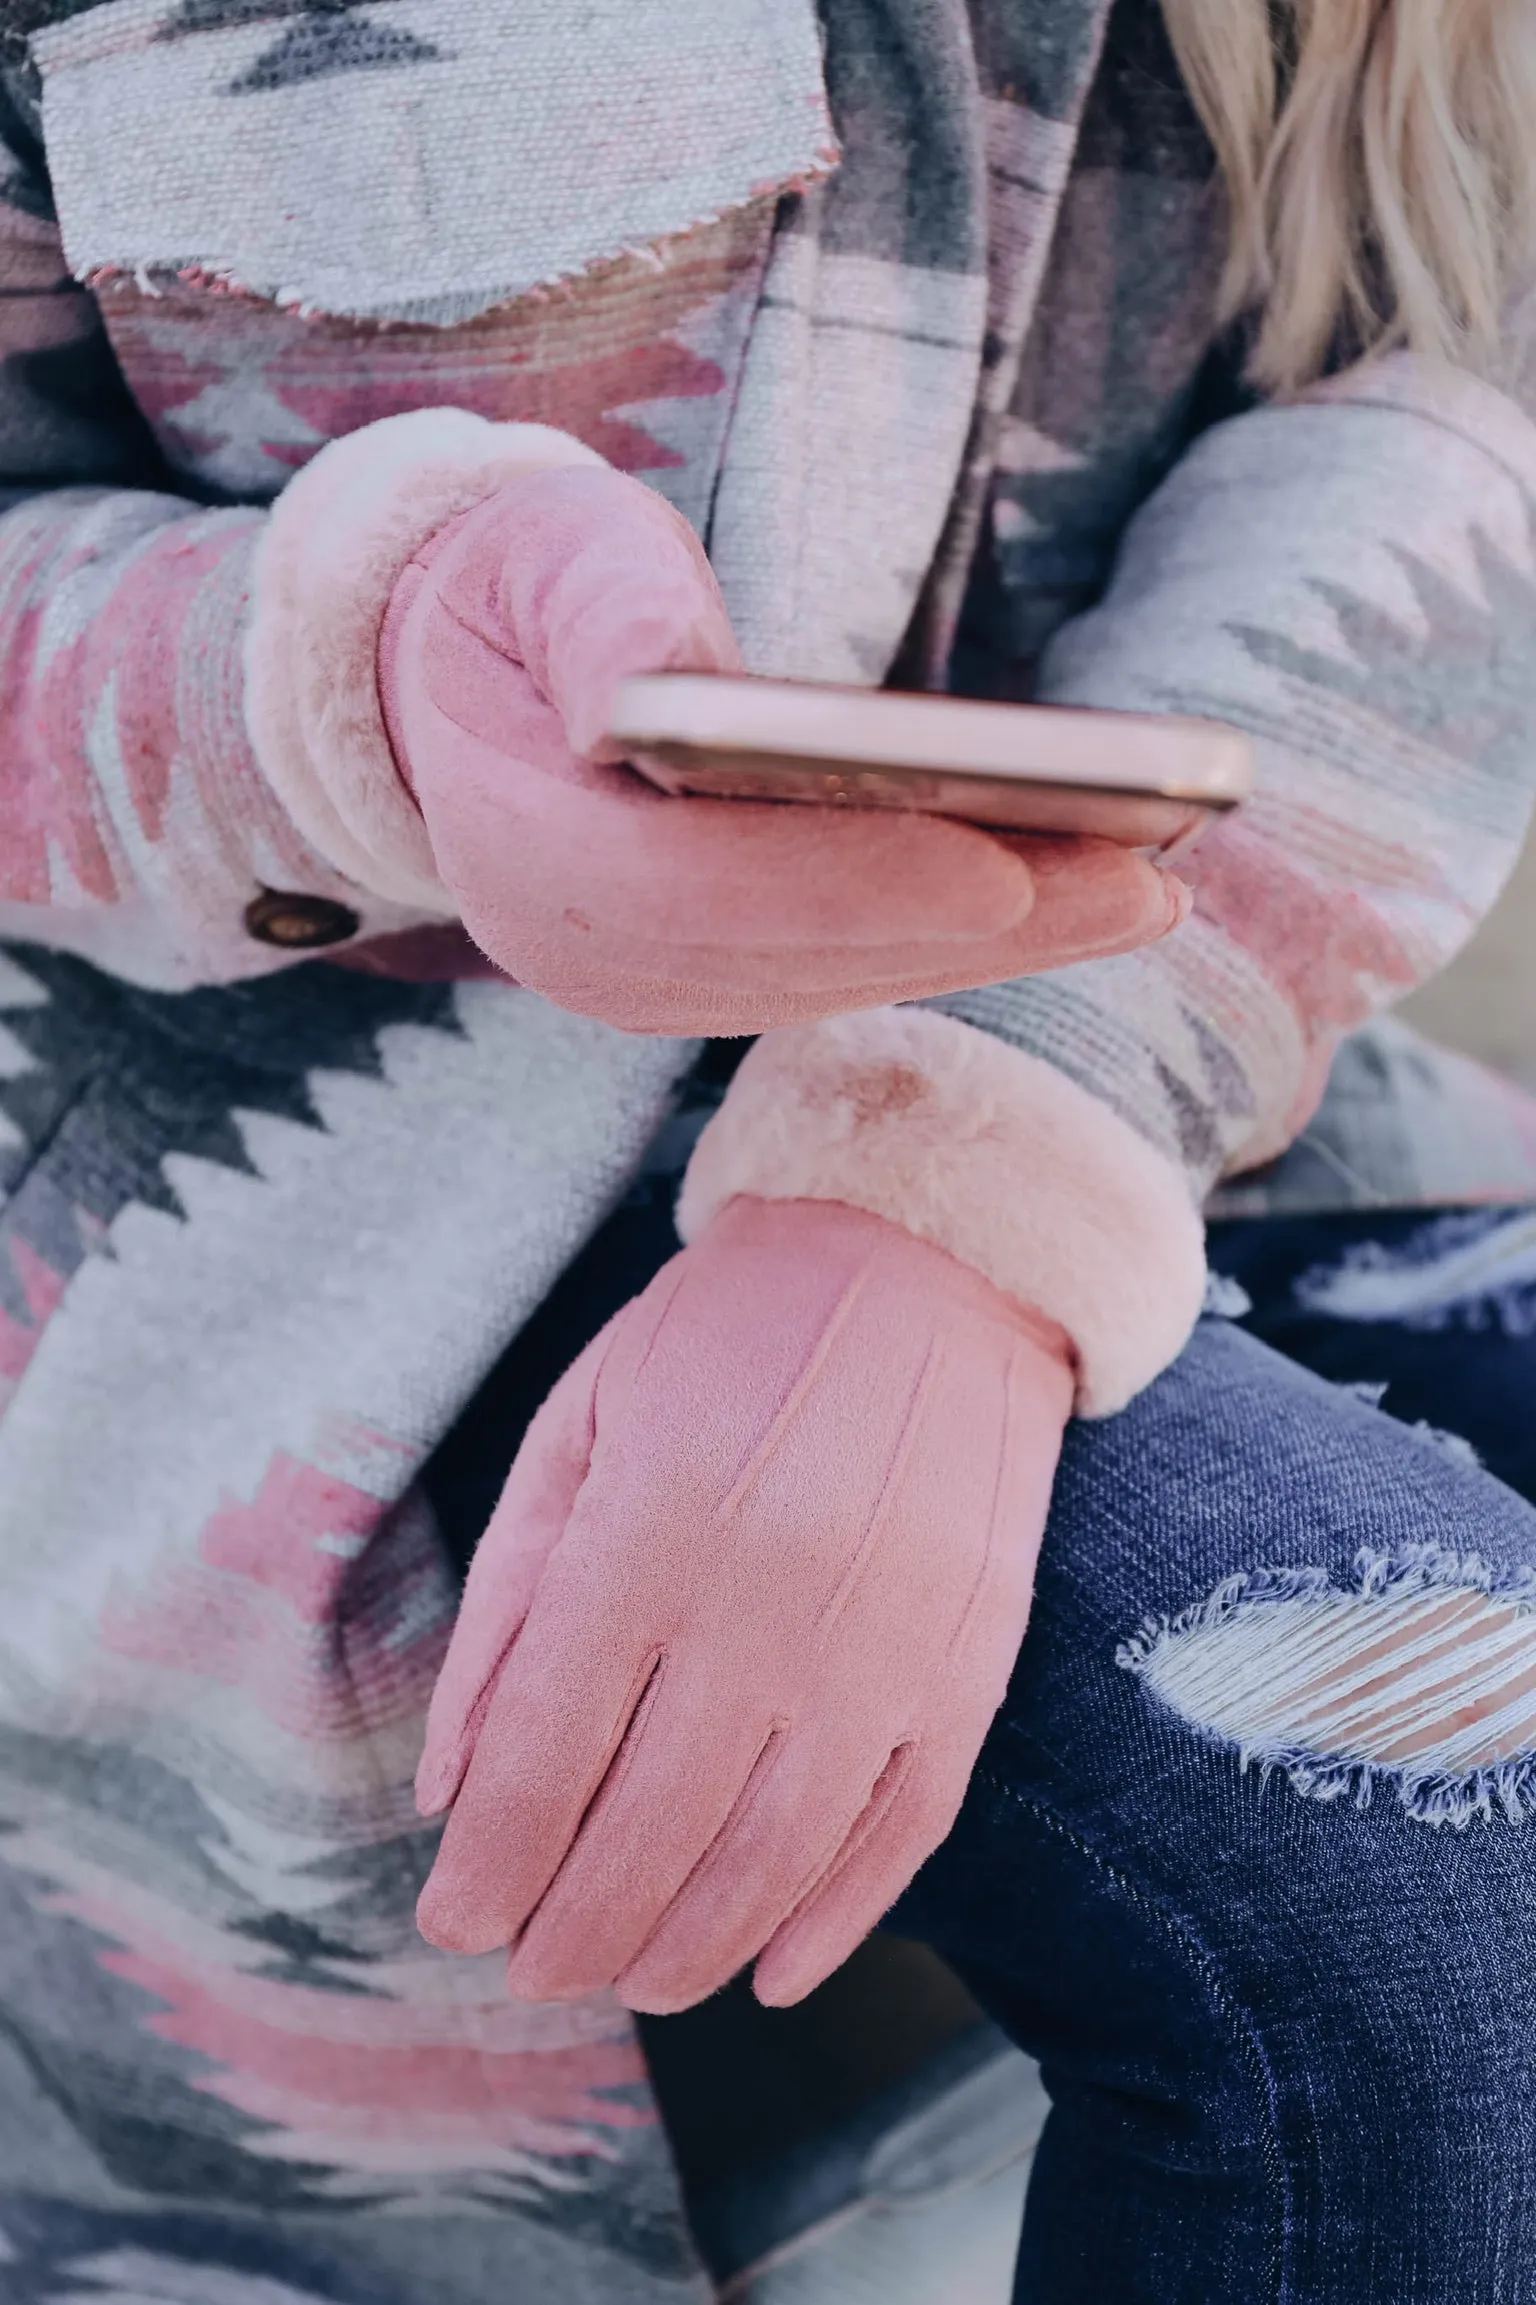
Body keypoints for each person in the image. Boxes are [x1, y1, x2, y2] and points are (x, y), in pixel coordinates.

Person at [0, 2, 1534, 2301]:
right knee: (1399, 1801)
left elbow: (1445, 424)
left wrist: (951, 1175)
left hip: (1161, 1059)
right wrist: (354, 680)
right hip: (282, 1203)